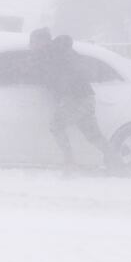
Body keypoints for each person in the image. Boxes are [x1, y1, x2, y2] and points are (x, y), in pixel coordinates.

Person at [43, 35, 112, 169]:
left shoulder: (63, 59)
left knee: (56, 126)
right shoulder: (72, 57)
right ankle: (116, 162)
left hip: (76, 100)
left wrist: (61, 95)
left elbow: (63, 82)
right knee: (93, 135)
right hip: (86, 99)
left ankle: (70, 161)